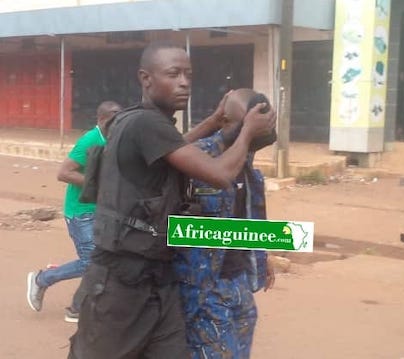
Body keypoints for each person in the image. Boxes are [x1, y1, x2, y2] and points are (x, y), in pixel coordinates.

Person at [67, 41, 275, 359]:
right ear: (145, 78)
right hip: (122, 284)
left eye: (188, 75)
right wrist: (246, 132)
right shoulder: (144, 123)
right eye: (173, 74)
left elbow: (178, 148)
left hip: (158, 281)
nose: (184, 82)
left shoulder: (146, 124)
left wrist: (214, 119)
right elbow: (219, 174)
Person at [173, 88, 276, 358]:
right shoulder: (199, 155)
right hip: (206, 286)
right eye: (252, 123)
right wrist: (239, 131)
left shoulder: (246, 160)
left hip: (238, 281)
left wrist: (261, 250)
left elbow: (247, 211)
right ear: (230, 123)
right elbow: (169, 154)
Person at [26, 100, 122, 323]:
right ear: (101, 119)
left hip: (103, 211)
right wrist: (99, 187)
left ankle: (79, 307)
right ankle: (43, 279)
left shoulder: (115, 139)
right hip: (81, 212)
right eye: (113, 116)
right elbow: (64, 173)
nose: (118, 120)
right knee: (91, 261)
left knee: (106, 258)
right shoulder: (90, 140)